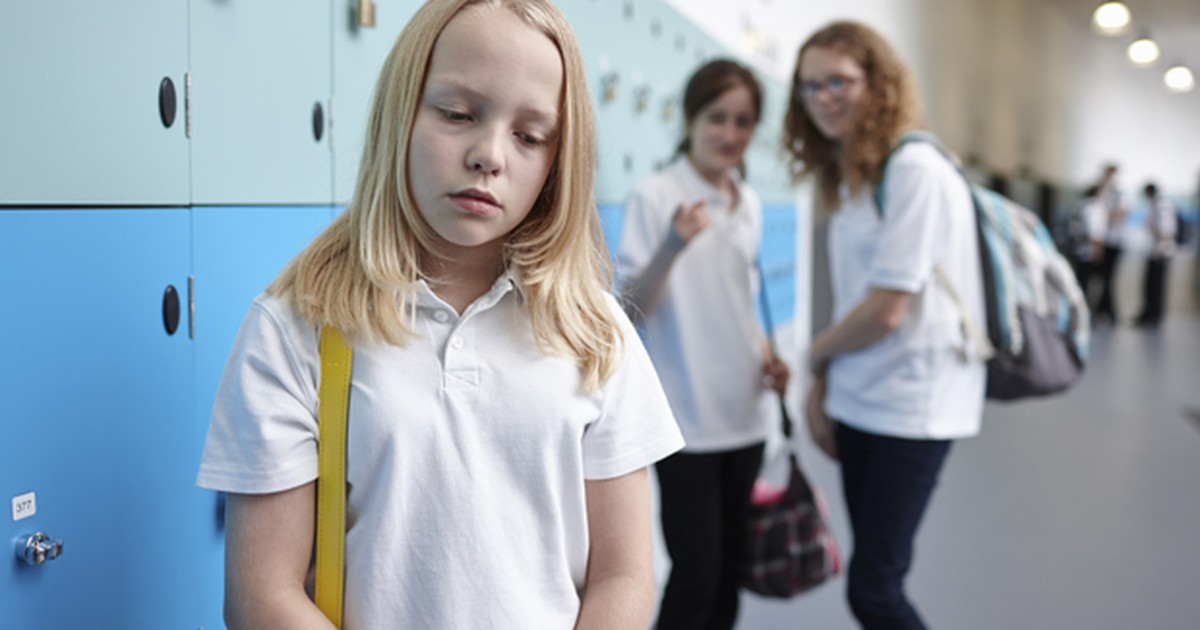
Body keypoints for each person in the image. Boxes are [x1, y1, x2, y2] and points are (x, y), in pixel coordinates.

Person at [195, 1, 684, 627]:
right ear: (401, 112)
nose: (489, 154)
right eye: (457, 114)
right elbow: (263, 594)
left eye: (529, 136)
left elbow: (623, 576)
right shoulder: (299, 324)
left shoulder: (594, 332)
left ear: (558, 161)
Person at [783, 21, 986, 629]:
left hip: (912, 403)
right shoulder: (855, 177)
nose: (822, 98)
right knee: (872, 578)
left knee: (874, 588)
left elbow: (887, 308)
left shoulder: (914, 169)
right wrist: (827, 388)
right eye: (809, 86)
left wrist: (812, 358)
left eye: (838, 81)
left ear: (878, 83)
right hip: (863, 397)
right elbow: (856, 302)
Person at [615, 59, 789, 629]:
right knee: (695, 576)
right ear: (690, 118)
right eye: (718, 118)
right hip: (686, 419)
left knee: (729, 576)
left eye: (743, 122)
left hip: (746, 413)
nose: (731, 135)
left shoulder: (749, 201)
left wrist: (769, 355)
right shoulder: (657, 194)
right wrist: (671, 244)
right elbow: (629, 308)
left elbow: (745, 298)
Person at [1134, 182, 1177, 328]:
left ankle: (1154, 315)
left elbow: (1165, 231)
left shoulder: (1161, 204)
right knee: (1150, 285)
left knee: (1156, 286)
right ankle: (1149, 313)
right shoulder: (1155, 204)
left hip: (1160, 253)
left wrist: (1161, 251)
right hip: (1154, 252)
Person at [1092, 163, 1129, 324]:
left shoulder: (1120, 194)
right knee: (1100, 278)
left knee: (1108, 278)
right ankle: (1103, 309)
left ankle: (1109, 312)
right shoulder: (1101, 193)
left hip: (1113, 242)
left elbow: (1120, 214)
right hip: (1102, 241)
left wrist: (1104, 218)